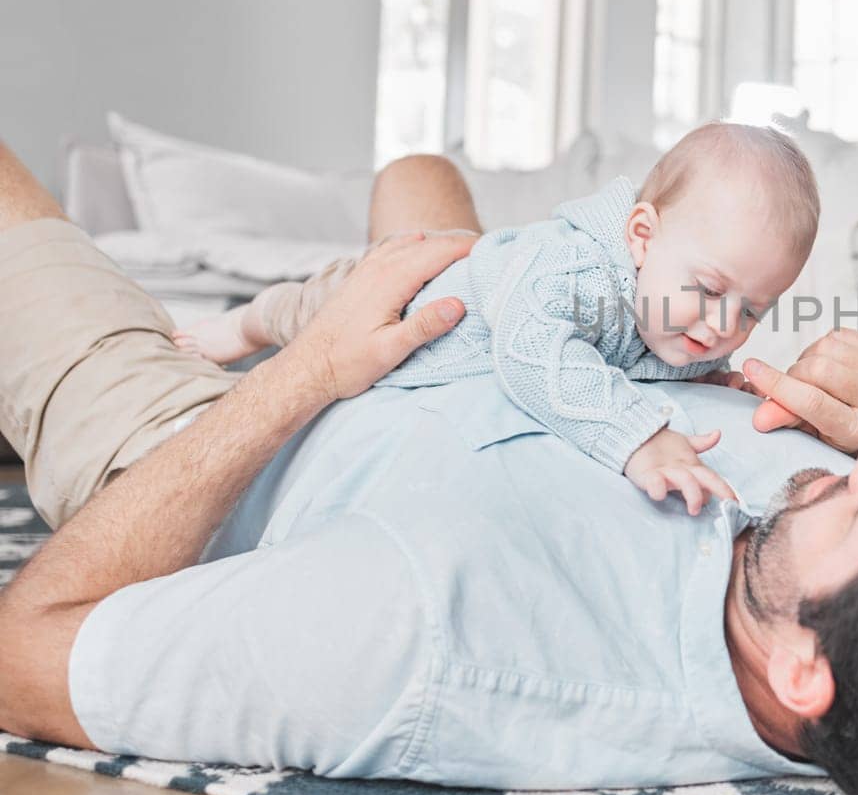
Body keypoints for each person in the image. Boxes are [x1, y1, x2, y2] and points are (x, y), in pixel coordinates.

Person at [0, 145, 858, 795]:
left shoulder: (414, 642)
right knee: (417, 174)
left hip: (208, 440)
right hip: (476, 343)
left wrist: (309, 369)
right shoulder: (837, 596)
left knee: (18, 219)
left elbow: (23, 655)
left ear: (807, 672)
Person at [177, 122, 823, 514]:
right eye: (709, 289)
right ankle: (244, 325)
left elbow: (669, 355)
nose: (720, 325)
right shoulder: (576, 270)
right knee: (305, 309)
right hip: (403, 297)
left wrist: (714, 382)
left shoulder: (682, 313)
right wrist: (636, 435)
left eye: (751, 309)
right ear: (641, 235)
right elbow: (531, 349)